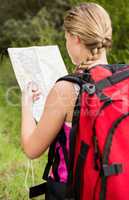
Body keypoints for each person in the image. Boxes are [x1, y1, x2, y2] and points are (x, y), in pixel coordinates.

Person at [21, 2, 112, 199]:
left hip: (72, 190)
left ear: (75, 38)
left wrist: (26, 104)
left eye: (66, 38)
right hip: (113, 187)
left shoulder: (66, 89)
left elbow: (31, 148)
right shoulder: (125, 80)